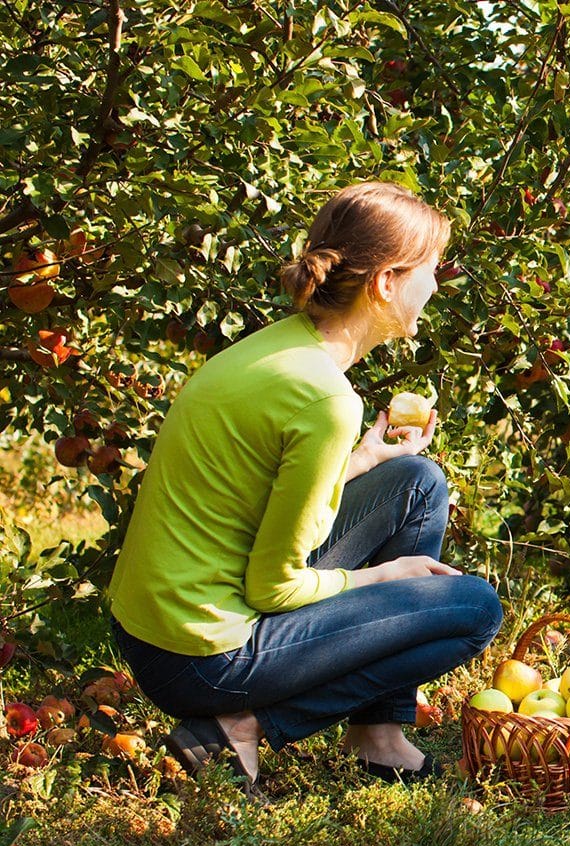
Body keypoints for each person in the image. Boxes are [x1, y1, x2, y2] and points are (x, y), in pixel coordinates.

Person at [107, 182, 504, 788]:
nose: (435, 288)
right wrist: (379, 576)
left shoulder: (277, 347)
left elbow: (250, 497)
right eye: (429, 271)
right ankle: (242, 726)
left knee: (416, 481)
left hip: (153, 631)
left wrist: (361, 460)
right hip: (204, 658)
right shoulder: (325, 398)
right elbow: (273, 586)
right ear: (386, 283)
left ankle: (379, 733)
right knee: (474, 608)